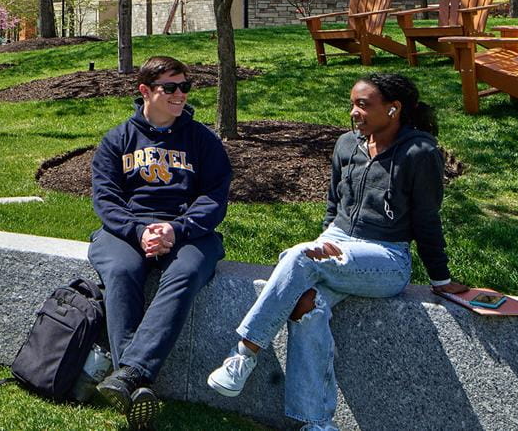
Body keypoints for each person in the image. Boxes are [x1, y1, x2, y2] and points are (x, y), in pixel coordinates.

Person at [205, 73, 466, 431]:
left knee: (296, 257)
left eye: (363, 104)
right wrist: (326, 239)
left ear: (394, 109)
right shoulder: (347, 144)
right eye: (352, 104)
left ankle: (244, 355)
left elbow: (427, 220)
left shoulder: (420, 153)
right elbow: (333, 204)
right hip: (339, 242)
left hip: (386, 258)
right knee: (307, 304)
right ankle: (317, 424)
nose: (354, 112)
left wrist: (441, 279)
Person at [89, 56, 232, 429]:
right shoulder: (117, 140)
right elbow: (106, 199)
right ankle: (136, 382)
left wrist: (177, 229)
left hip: (188, 232)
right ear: (145, 91)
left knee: (186, 270)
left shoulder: (203, 140)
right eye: (170, 87)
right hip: (125, 231)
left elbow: (215, 197)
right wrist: (139, 232)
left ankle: (128, 375)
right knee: (121, 269)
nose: (180, 94)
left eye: (185, 86)